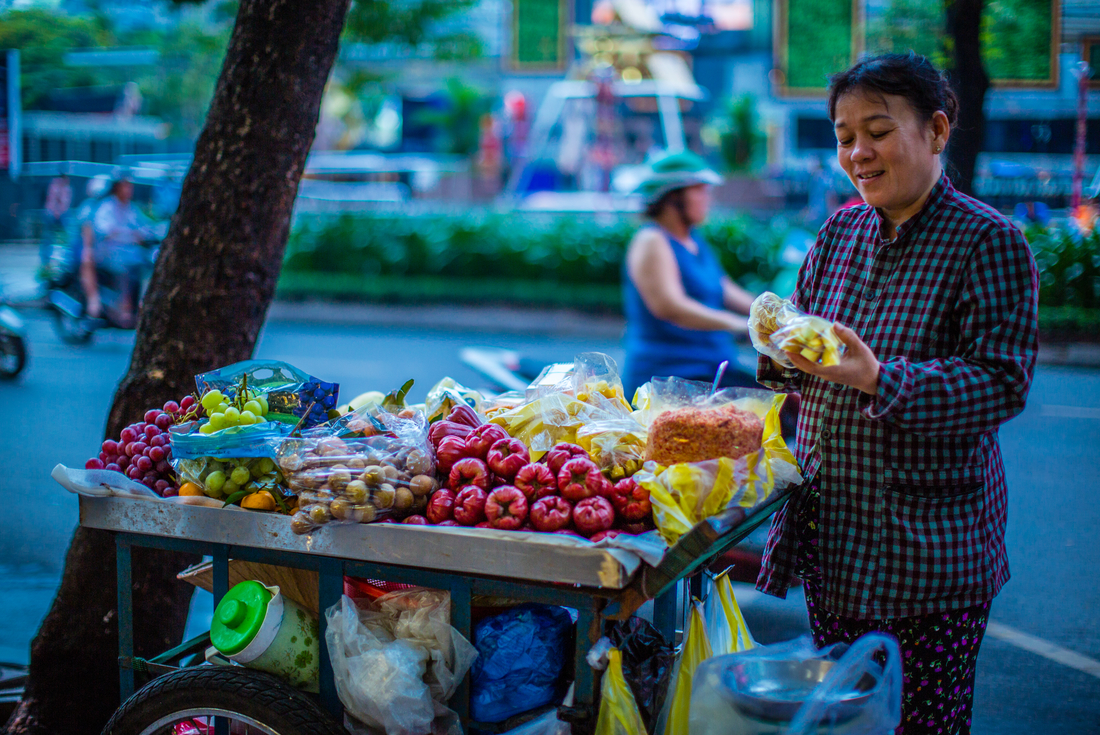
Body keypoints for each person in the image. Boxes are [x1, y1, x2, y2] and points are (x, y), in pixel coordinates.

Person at [755, 53, 1038, 734]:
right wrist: (776, 346)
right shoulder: (840, 232)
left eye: (877, 130)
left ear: (937, 130)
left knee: (921, 723)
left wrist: (880, 377)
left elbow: (1001, 383)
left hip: (928, 552)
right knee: (844, 718)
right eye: (844, 135)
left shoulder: (988, 241)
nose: (858, 152)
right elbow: (808, 353)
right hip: (837, 538)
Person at [622, 149, 756, 398]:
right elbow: (671, 306)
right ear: (672, 197)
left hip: (710, 371)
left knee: (789, 400)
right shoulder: (651, 239)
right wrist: (742, 326)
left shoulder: (693, 239)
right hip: (670, 380)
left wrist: (777, 312)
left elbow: (725, 289)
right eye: (699, 190)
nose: (707, 198)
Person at [85, 174, 156, 325]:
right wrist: (128, 235)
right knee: (124, 270)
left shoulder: (131, 208)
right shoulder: (106, 208)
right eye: (125, 186)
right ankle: (124, 308)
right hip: (110, 255)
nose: (129, 190)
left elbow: (144, 227)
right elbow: (104, 230)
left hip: (131, 254)